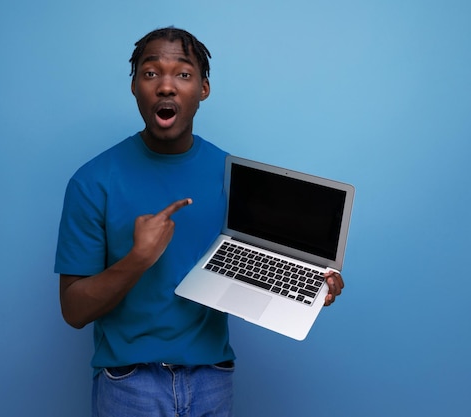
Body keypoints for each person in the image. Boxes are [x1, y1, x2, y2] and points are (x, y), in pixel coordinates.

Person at [54, 27, 344, 417]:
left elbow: (257, 267)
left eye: (184, 74)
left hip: (213, 380)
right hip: (128, 386)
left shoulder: (232, 179)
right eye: (151, 72)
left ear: (204, 89)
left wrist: (310, 286)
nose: (166, 87)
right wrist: (138, 259)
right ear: (135, 87)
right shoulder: (91, 182)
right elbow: (73, 310)